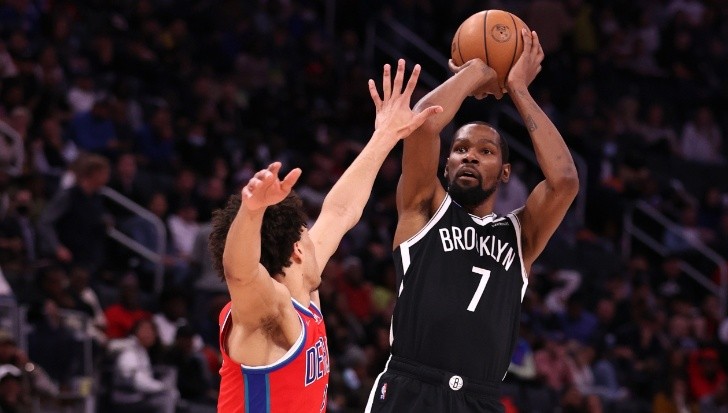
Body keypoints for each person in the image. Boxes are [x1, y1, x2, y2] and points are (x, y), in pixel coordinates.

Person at [207, 60, 441, 413]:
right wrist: (250, 211)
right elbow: (239, 272)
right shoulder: (270, 312)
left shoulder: (305, 294)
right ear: (298, 251)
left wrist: (386, 135)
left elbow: (341, 212)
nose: (319, 238)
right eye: (308, 233)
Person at [365, 29, 579, 413]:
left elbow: (564, 181)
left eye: (485, 151)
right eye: (460, 149)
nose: (470, 157)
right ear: (445, 165)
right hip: (412, 387)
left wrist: (518, 89)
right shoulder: (424, 209)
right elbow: (423, 123)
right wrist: (477, 70)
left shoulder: (520, 236)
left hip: (480, 399)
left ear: (506, 172)